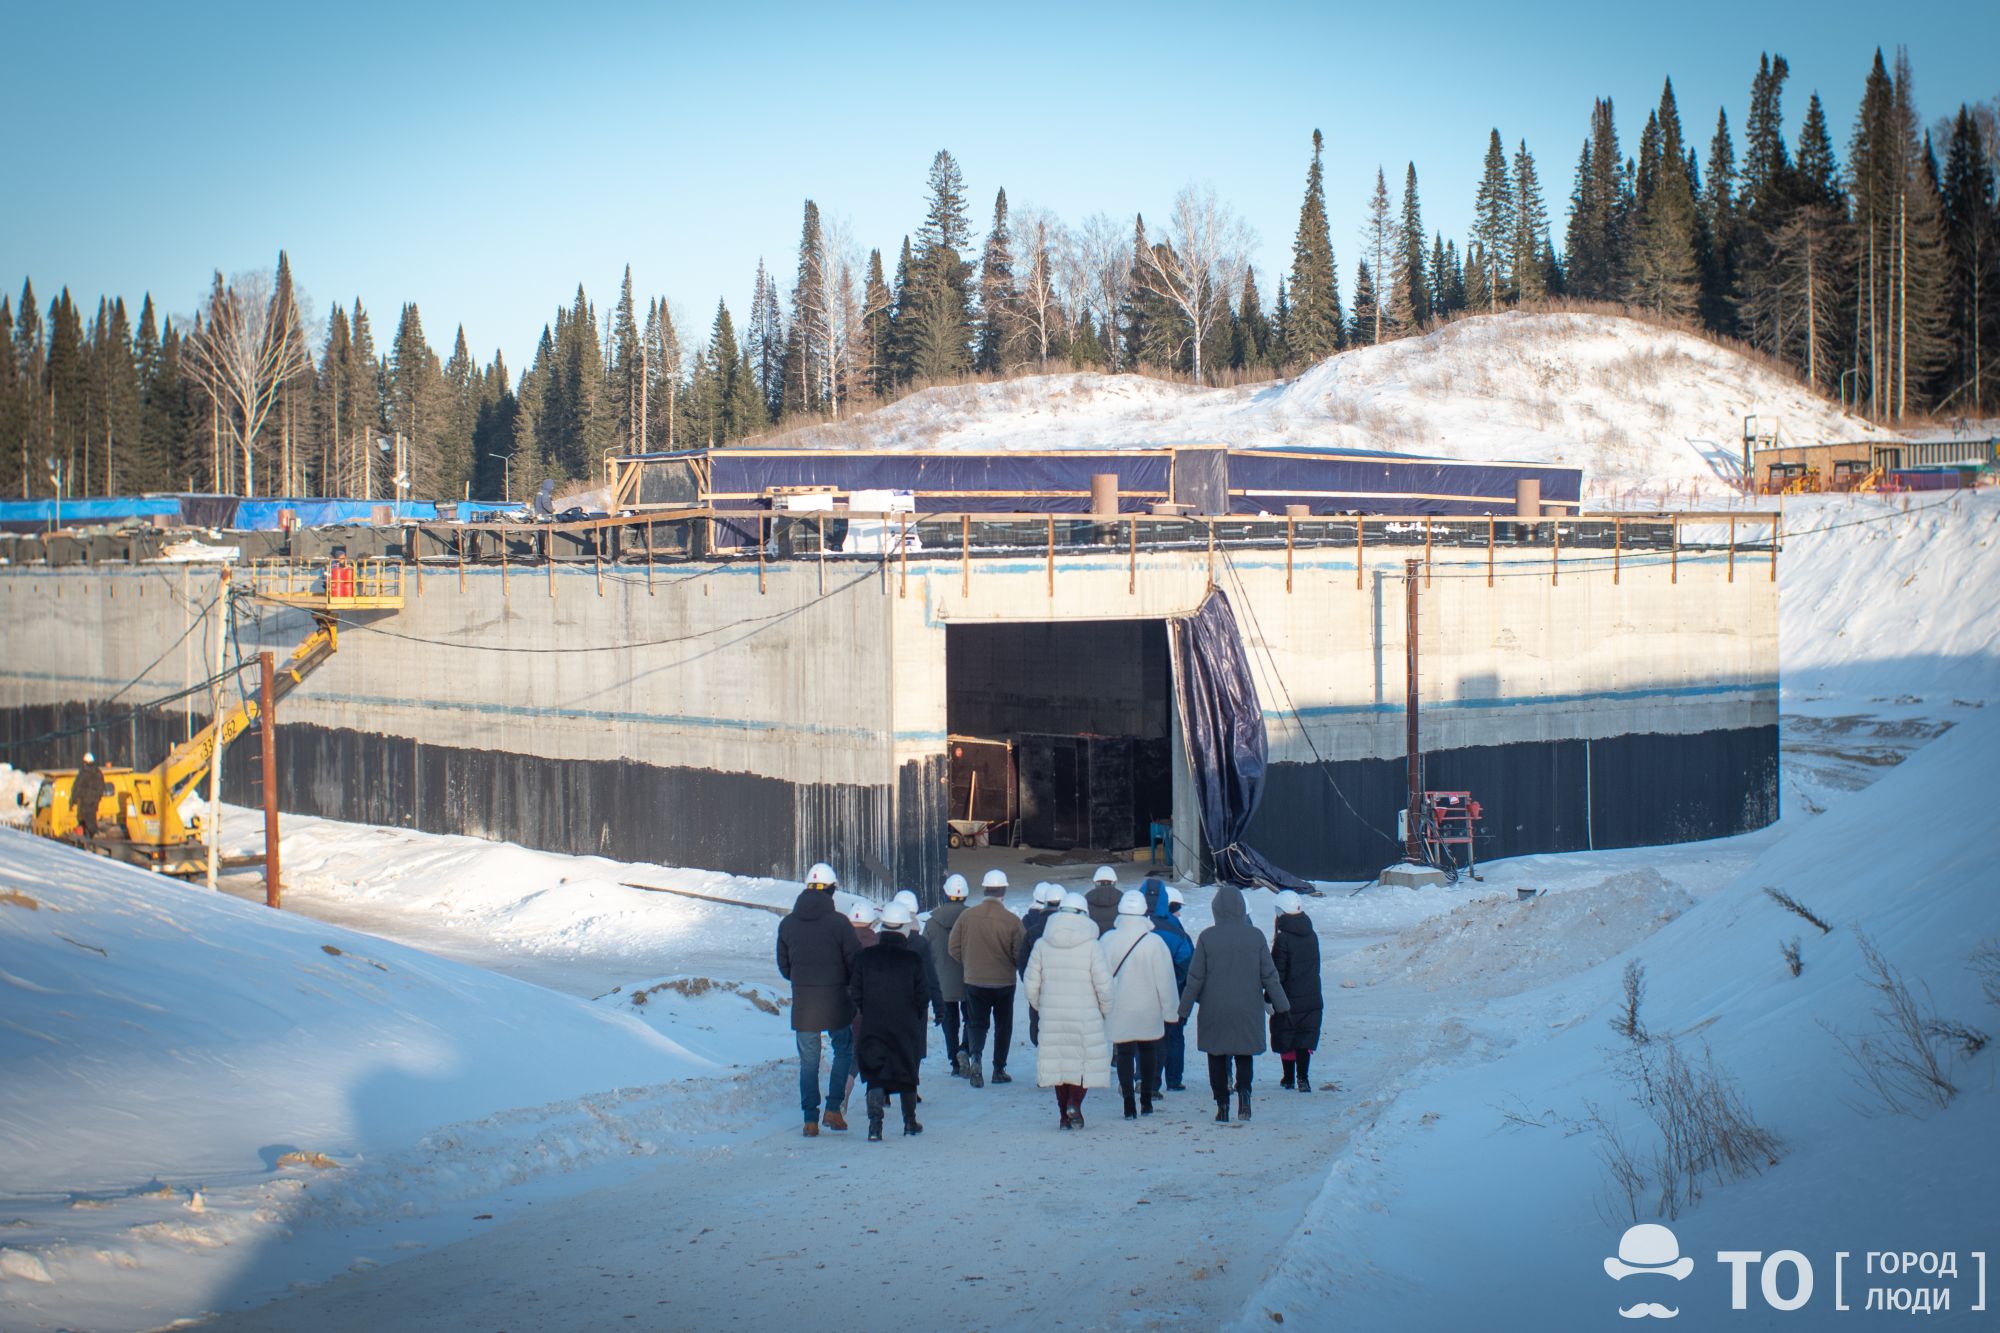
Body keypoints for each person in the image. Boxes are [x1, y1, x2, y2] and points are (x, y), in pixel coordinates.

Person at [1178, 885, 1290, 1124]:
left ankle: (1222, 1105)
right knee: (1244, 1053)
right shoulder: (1256, 936)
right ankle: (1245, 1097)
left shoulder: (1207, 937)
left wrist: (1183, 1010)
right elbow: (1269, 975)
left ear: (1215, 909)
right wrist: (1282, 1006)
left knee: (1217, 1056)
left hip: (1214, 1008)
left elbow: (1195, 978)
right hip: (1247, 1007)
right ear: (1241, 908)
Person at [776, 862, 861, 1137]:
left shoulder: (787, 924)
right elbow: (855, 963)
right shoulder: (840, 924)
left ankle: (809, 1119)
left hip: (804, 1006)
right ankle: (834, 1109)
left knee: (809, 1062)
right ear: (831, 889)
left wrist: (803, 981)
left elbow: (785, 967)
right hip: (837, 1003)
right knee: (844, 1051)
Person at [1022, 892, 1113, 1129]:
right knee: (1081, 1065)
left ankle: (1063, 1116)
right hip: (1085, 1015)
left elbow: (1031, 982)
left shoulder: (1042, 944)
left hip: (1052, 1015)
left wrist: (1040, 1006)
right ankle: (1075, 1103)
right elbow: (1103, 984)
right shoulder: (1092, 946)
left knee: (1058, 1065)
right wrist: (1105, 1009)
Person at [849, 902, 930, 1141]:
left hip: (873, 1023)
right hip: (905, 1026)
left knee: (875, 1073)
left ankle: (875, 1126)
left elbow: (857, 993)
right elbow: (922, 996)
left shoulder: (865, 957)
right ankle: (909, 1122)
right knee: (906, 1072)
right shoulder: (913, 960)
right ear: (905, 928)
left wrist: (869, 1010)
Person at [1103, 889, 1180, 1120]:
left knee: (1124, 1053)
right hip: (1148, 1008)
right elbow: (1165, 980)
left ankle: (1128, 1104)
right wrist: (1170, 1012)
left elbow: (1100, 978)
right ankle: (1146, 1099)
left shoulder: (1107, 940)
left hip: (1119, 1007)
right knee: (1148, 1051)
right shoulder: (1154, 942)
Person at [947, 868, 1023, 1088]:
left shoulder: (967, 916)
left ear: (984, 890)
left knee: (976, 1023)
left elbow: (953, 947)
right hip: (1003, 982)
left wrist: (971, 963)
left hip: (974, 980)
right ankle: (998, 1069)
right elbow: (1020, 953)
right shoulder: (1012, 921)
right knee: (1003, 1025)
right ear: (1004, 891)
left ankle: (976, 1059)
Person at [1142, 879, 1195, 1096]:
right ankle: (1173, 1079)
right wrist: (1176, 980)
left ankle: (1143, 1078)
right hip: (1172, 991)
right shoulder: (1175, 931)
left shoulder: (1134, 926)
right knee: (1173, 1036)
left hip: (1141, 993)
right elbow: (1186, 959)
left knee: (1143, 1038)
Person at [1270, 890, 1324, 1092]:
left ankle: (1288, 1077)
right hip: (1311, 995)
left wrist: (1270, 997)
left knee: (1287, 1035)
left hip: (1288, 997)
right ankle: (1303, 1078)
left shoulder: (1283, 939)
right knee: (1305, 1036)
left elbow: (1277, 973)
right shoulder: (1312, 935)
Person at [892, 889, 944, 1070]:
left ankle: (884, 1090)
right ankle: (910, 1086)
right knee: (914, 1043)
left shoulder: (880, 939)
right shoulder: (920, 943)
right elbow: (930, 976)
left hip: (886, 1000)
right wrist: (939, 1006)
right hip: (915, 1003)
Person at [925, 874, 972, 1075]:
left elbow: (924, 952)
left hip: (943, 981)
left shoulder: (932, 922)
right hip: (969, 977)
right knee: (972, 1018)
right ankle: (966, 1049)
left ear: (945, 893)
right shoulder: (972, 918)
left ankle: (954, 1061)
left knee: (949, 1022)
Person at [842, 901, 881, 1114]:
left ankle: (841, 1091)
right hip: (867, 1004)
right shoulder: (876, 942)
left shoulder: (841, 939)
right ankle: (855, 1089)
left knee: (844, 1049)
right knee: (863, 1049)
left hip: (841, 1002)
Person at [1018, 882, 1061, 1045]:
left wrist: (1029, 982)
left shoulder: (1030, 927)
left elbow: (1022, 961)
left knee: (1039, 1030)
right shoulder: (1076, 930)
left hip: (1038, 986)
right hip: (1064, 991)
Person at [71, 751, 105, 840]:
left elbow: (77, 787)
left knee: (87, 817)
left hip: (85, 800)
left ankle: (94, 834)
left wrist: (73, 800)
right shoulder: (98, 773)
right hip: (94, 800)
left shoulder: (83, 773)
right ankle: (93, 833)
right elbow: (101, 787)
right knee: (92, 816)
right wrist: (98, 797)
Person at [1085, 864, 1122, 936]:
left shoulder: (1086, 899)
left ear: (1095, 882)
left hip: (1094, 943)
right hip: (1117, 943)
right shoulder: (1123, 899)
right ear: (1114, 882)